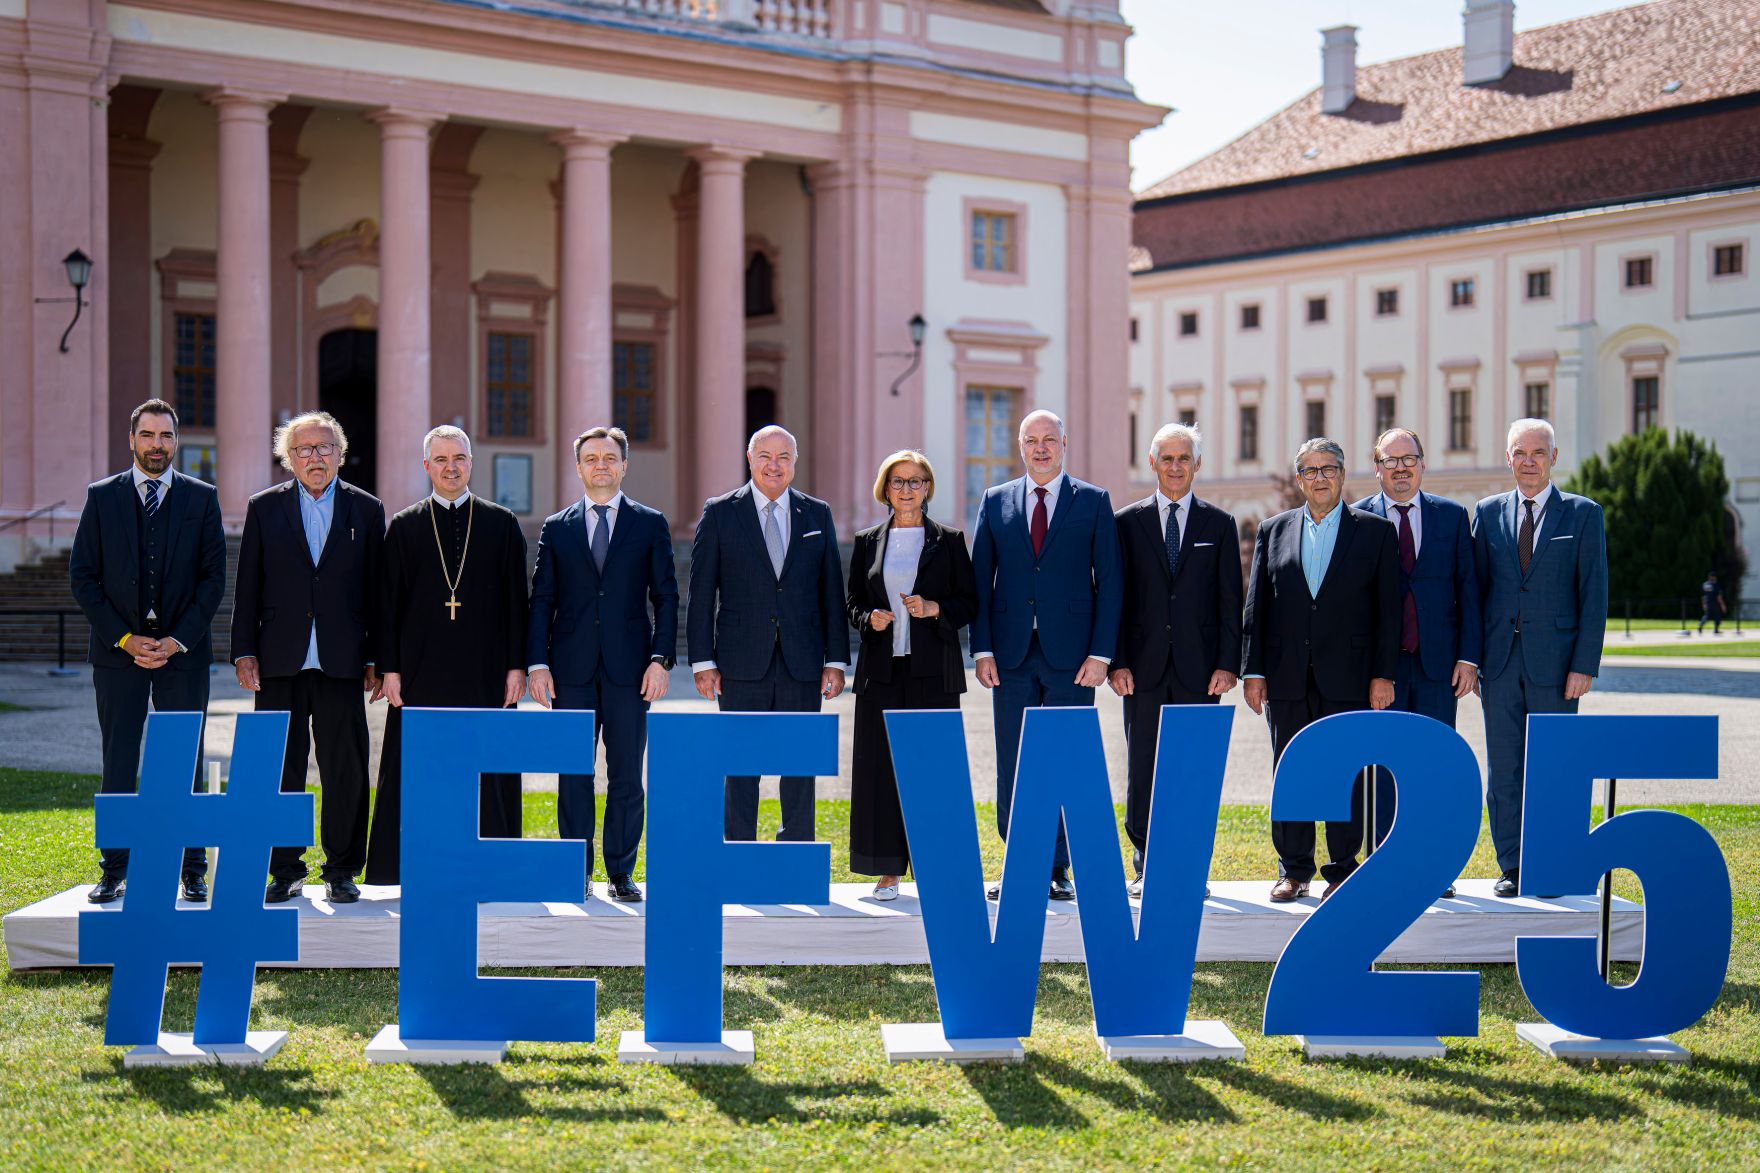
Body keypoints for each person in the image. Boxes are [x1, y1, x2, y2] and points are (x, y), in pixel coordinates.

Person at [69, 399, 225, 905]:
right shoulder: (101, 497)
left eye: (166, 436)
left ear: (176, 442)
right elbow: (83, 578)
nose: (157, 445)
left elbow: (213, 581)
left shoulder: (202, 499)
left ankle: (193, 868)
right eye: (148, 435)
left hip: (183, 654)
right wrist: (124, 637)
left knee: (187, 759)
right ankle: (115, 868)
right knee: (118, 758)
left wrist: (178, 639)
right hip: (118, 656)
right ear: (131, 439)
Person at [231, 411, 386, 905]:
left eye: (324, 448)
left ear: (339, 454)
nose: (315, 457)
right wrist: (243, 650)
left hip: (341, 660)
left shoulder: (367, 509)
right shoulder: (263, 508)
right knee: (282, 768)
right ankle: (285, 868)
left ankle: (341, 869)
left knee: (345, 767)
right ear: (288, 458)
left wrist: (375, 655)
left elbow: (376, 593)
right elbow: (247, 586)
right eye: (304, 450)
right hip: (279, 658)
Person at [366, 426, 530, 887]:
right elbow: (388, 604)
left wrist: (517, 665)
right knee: (418, 767)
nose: (451, 467)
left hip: (488, 670)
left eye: (459, 458)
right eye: (440, 460)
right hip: (420, 671)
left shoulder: (501, 524)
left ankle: (495, 868)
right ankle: (406, 866)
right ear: (426, 466)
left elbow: (519, 601)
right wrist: (390, 669)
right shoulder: (404, 526)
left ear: (471, 463)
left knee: (491, 766)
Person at [970, 408, 1122, 901]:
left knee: (1063, 761)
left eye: (1049, 440)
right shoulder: (995, 501)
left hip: (1074, 658)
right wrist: (984, 649)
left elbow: (1111, 584)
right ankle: (1019, 863)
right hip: (1010, 656)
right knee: (1012, 760)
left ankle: (1057, 867)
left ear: (1064, 444)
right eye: (1032, 440)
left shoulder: (1094, 502)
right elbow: (980, 581)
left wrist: (1102, 654)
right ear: (1020, 446)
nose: (1040, 448)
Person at [1242, 437, 1400, 903]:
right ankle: (1293, 870)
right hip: (1287, 675)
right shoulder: (1274, 529)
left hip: (1349, 676)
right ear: (1299, 479)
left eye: (1328, 469)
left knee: (1344, 773)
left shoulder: (1373, 532)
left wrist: (1382, 674)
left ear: (1343, 474)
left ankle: (1341, 868)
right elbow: (1258, 607)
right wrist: (1254, 671)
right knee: (1291, 772)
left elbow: (1387, 613)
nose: (1319, 478)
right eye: (1310, 471)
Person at [527, 426, 677, 901]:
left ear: (624, 465)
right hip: (569, 670)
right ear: (578, 467)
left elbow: (667, 596)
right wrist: (537, 664)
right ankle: (576, 871)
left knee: (628, 776)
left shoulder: (649, 523)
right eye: (591, 458)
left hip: (631, 671)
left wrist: (661, 659)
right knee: (573, 775)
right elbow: (541, 601)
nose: (601, 466)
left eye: (609, 458)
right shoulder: (557, 527)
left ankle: (620, 872)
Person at [688, 425, 847, 842]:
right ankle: (738, 851)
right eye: (765, 456)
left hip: (803, 660)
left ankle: (795, 851)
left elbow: (832, 589)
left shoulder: (817, 513)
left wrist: (835, 659)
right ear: (749, 458)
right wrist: (703, 661)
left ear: (795, 462)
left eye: (783, 457)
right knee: (740, 765)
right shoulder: (720, 512)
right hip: (741, 661)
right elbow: (702, 592)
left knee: (799, 764)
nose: (773, 465)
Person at [1472, 418, 1608, 897]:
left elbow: (1594, 595)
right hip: (1500, 664)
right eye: (1519, 453)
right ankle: (1513, 866)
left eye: (1537, 452)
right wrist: (1474, 659)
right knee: (1504, 770)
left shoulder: (1583, 514)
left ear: (1554, 457)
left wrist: (1584, 665)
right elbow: (1476, 593)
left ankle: (1552, 863)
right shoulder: (1486, 513)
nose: (1528, 461)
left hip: (1558, 668)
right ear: (1508, 458)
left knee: (1554, 767)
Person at [1110, 423, 1241, 899]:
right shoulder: (1125, 523)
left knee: (1191, 770)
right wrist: (1117, 661)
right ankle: (1145, 861)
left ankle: (1188, 867)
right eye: (1166, 458)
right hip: (1140, 671)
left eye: (1183, 458)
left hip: (1201, 672)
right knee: (1142, 765)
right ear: (1151, 463)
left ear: (1197, 464)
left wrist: (1229, 663)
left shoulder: (1219, 524)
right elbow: (1116, 600)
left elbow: (1231, 600)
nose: (1175, 467)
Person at [1351, 427, 1481, 892]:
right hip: (1379, 670)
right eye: (1391, 460)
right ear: (1377, 468)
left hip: (1438, 667)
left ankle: (1433, 865)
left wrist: (1469, 657)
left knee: (1433, 766)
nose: (1401, 468)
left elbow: (1468, 591)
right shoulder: (1357, 519)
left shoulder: (1451, 517)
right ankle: (1383, 864)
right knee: (1379, 766)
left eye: (1409, 459)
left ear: (1422, 464)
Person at [845, 450, 978, 900]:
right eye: (898, 481)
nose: (907, 489)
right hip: (880, 671)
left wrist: (936, 608)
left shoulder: (951, 540)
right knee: (880, 770)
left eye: (916, 481)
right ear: (886, 488)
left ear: (928, 488)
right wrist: (869, 619)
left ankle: (937, 867)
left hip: (932, 672)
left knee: (934, 770)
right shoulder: (866, 541)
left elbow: (970, 601)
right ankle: (887, 870)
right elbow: (852, 603)